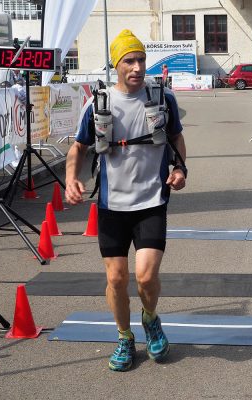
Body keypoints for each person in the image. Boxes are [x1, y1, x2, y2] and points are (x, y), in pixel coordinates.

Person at [65, 29, 187, 371]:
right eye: (129, 61)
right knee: (117, 279)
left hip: (151, 200)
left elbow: (176, 136)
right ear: (115, 64)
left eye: (141, 60)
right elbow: (78, 146)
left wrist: (181, 169)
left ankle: (150, 318)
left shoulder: (163, 98)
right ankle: (124, 337)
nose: (137, 67)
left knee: (146, 277)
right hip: (111, 206)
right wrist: (71, 178)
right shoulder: (99, 102)